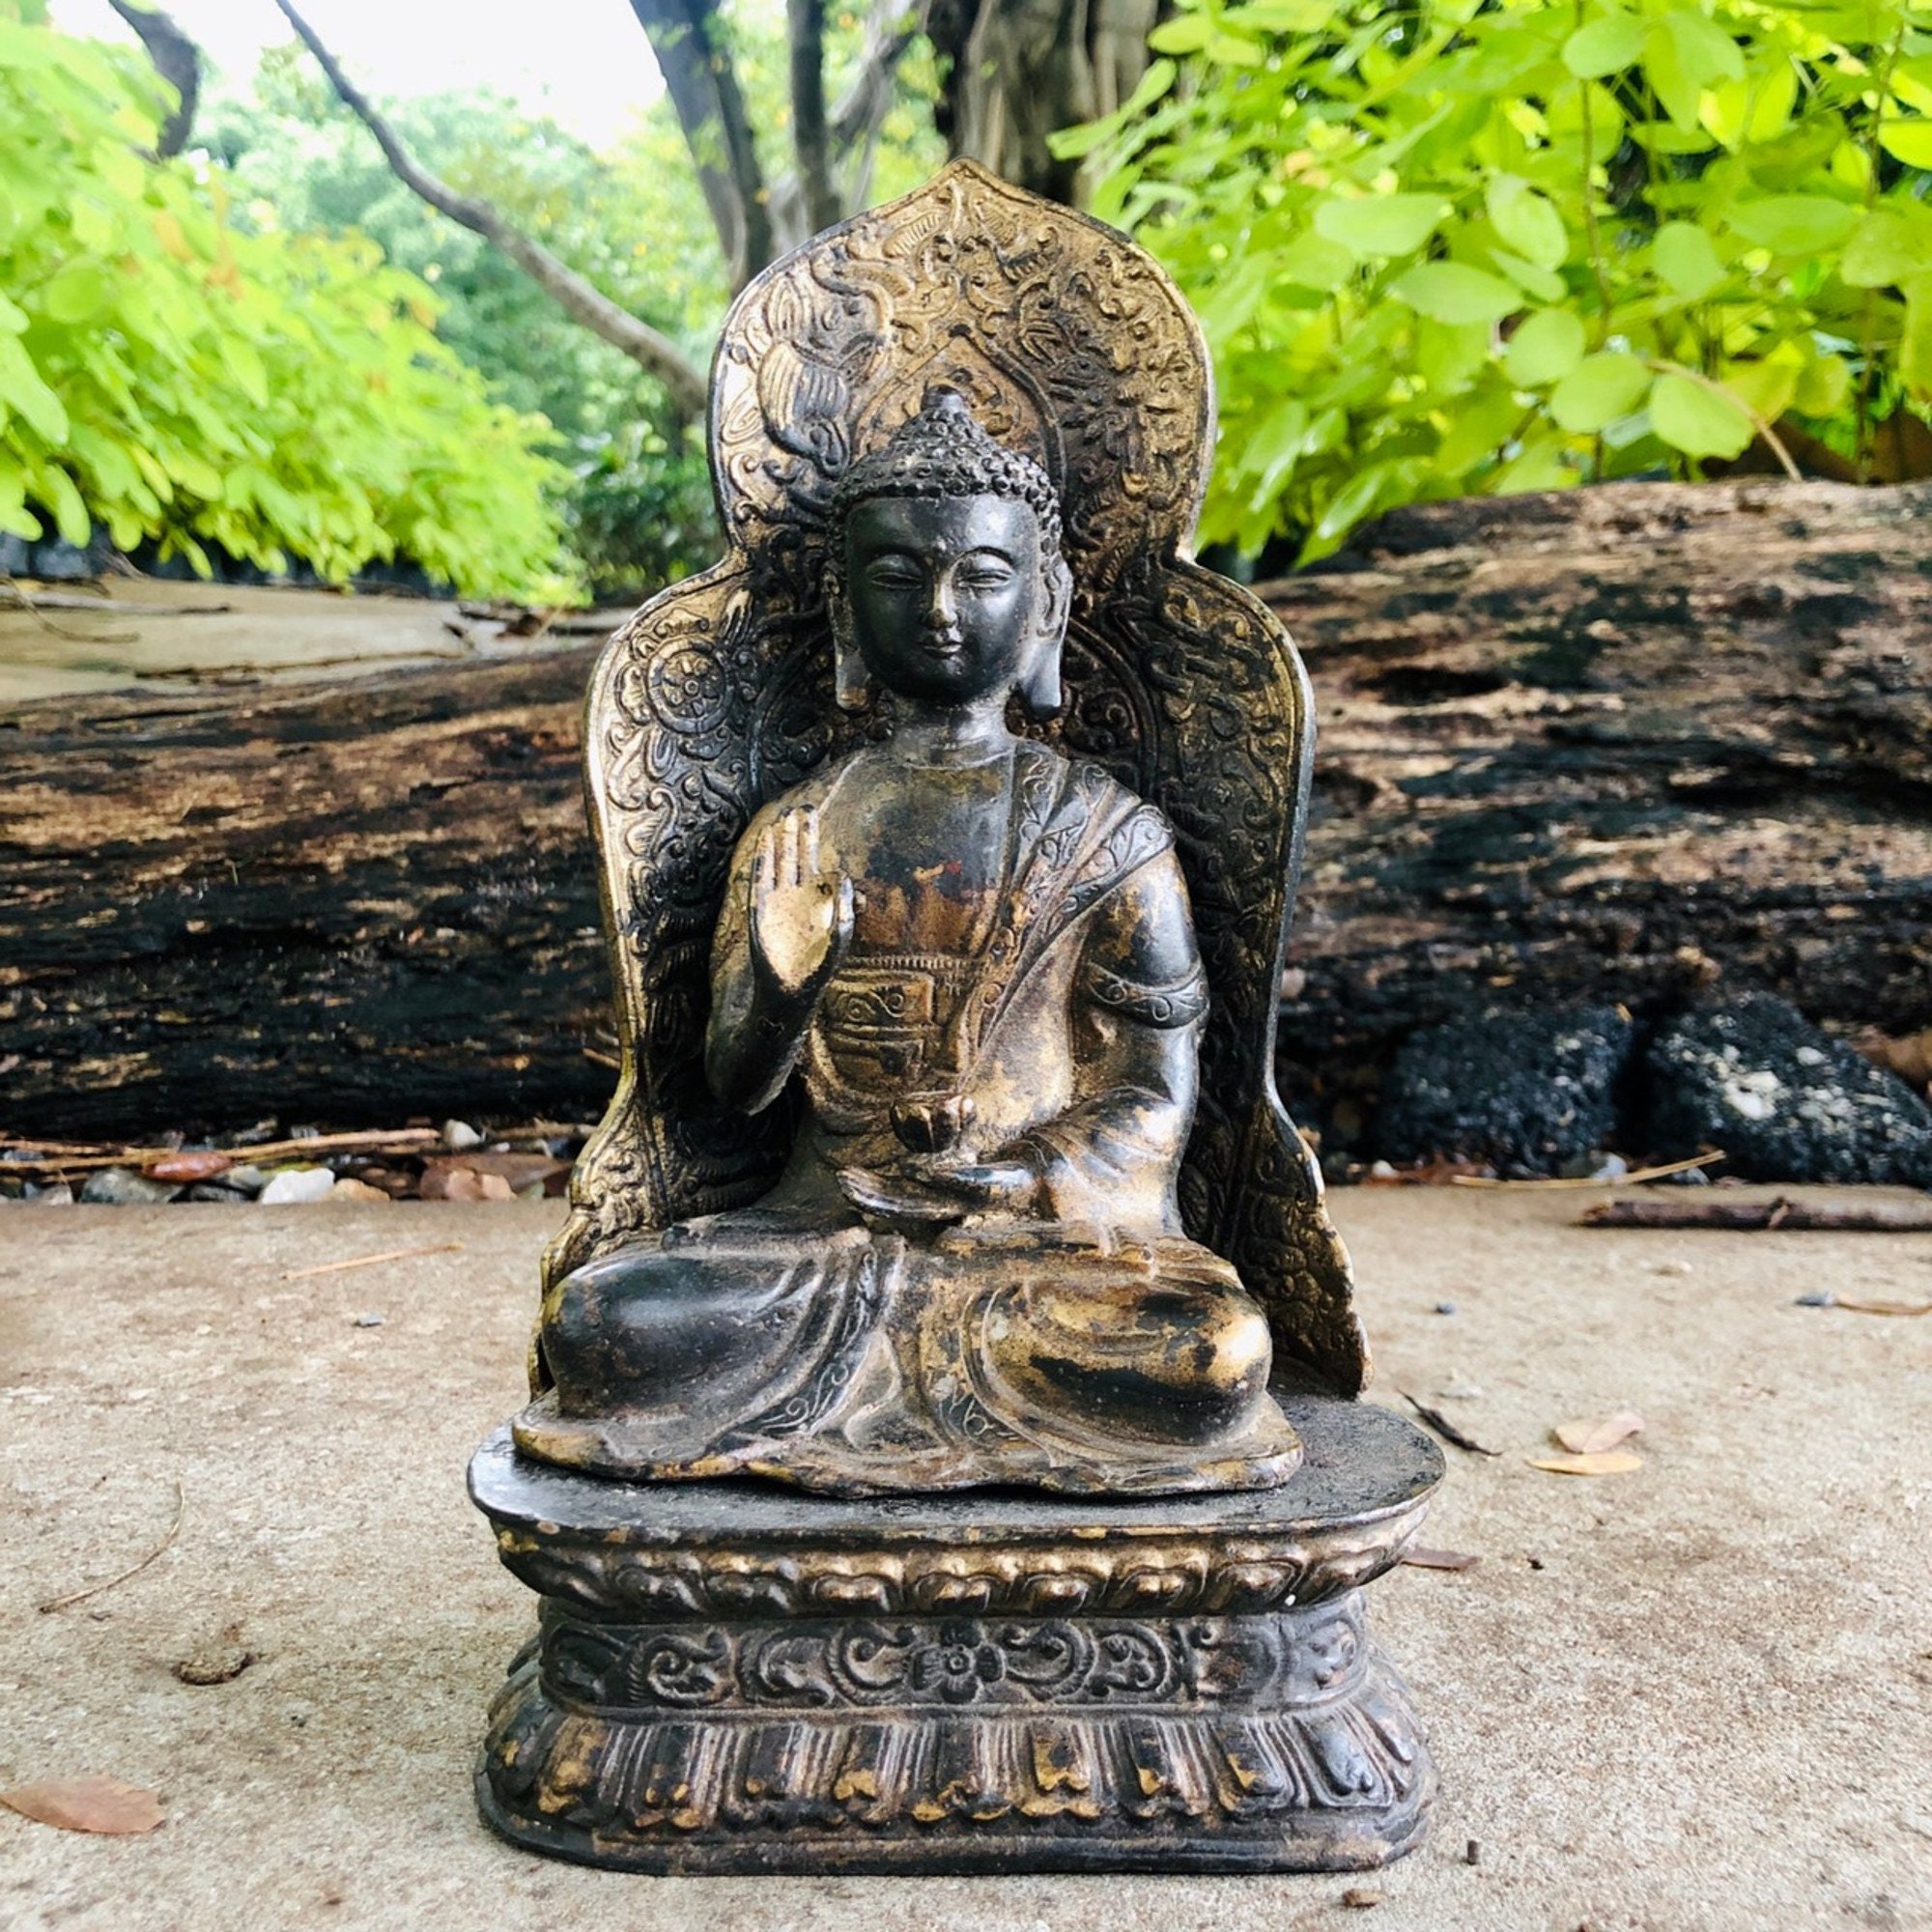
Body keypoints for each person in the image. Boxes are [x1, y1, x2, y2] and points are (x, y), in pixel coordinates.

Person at [516, 388, 1298, 1496]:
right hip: (818, 1245)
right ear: (845, 610)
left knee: (1209, 1348)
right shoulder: (796, 828)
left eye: (981, 574)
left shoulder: (1110, 836)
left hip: (1034, 1252)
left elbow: (1154, 1094)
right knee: (607, 1318)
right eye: (896, 576)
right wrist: (781, 987)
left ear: (1043, 602)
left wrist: (1013, 1175)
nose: (939, 606)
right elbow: (731, 1092)